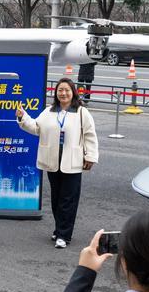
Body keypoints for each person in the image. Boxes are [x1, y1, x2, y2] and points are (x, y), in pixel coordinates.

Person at [16, 78, 98, 249]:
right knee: (56, 198)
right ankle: (59, 228)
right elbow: (36, 128)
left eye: (67, 90)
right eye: (60, 90)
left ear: (73, 92)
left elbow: (90, 135)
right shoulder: (49, 111)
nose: (63, 93)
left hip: (72, 161)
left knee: (68, 199)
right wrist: (23, 117)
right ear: (56, 93)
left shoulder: (81, 112)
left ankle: (64, 235)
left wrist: (90, 156)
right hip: (52, 161)